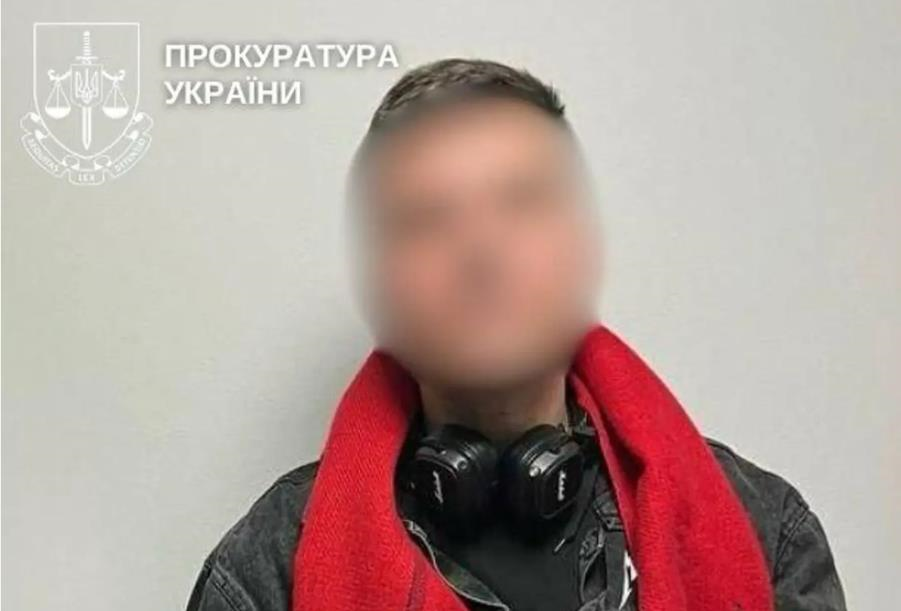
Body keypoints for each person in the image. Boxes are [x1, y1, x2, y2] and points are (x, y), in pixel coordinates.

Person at [186, 58, 847, 611]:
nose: (482, 250)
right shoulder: (269, 569)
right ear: (384, 281)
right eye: (429, 218)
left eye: (521, 203)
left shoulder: (765, 533)